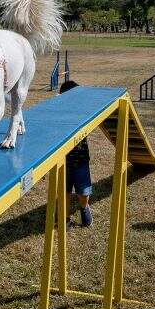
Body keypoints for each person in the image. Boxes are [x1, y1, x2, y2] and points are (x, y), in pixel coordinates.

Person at [59, 80, 93, 227]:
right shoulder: (58, 112)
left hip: (80, 160)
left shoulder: (81, 111)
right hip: (62, 161)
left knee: (83, 192)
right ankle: (64, 218)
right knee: (64, 192)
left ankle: (84, 208)